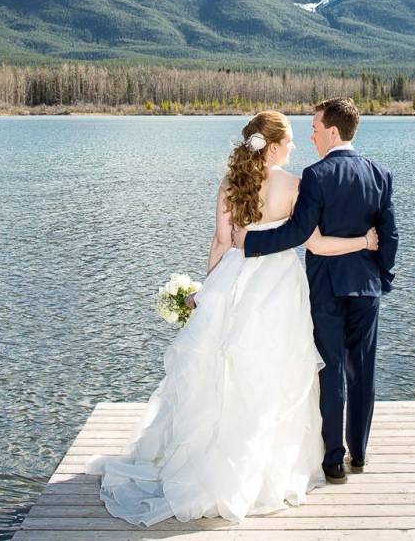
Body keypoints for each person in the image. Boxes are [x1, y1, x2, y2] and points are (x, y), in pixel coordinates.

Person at [86, 110, 380, 525]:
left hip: (234, 280)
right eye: (290, 139)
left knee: (222, 371)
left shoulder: (229, 184)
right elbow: (313, 243)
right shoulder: (295, 184)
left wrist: (209, 294)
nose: (295, 145)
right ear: (274, 145)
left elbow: (222, 243)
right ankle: (266, 464)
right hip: (278, 285)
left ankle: (213, 457)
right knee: (274, 371)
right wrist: (363, 242)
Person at [234, 97, 398, 484]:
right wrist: (382, 278)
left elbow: (298, 232)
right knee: (363, 372)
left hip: (325, 287)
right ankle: (359, 452)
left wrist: (251, 244)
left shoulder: (316, 175)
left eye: (316, 128)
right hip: (366, 288)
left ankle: (333, 461)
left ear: (333, 132)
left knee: (332, 371)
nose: (311, 136)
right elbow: (389, 235)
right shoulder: (380, 174)